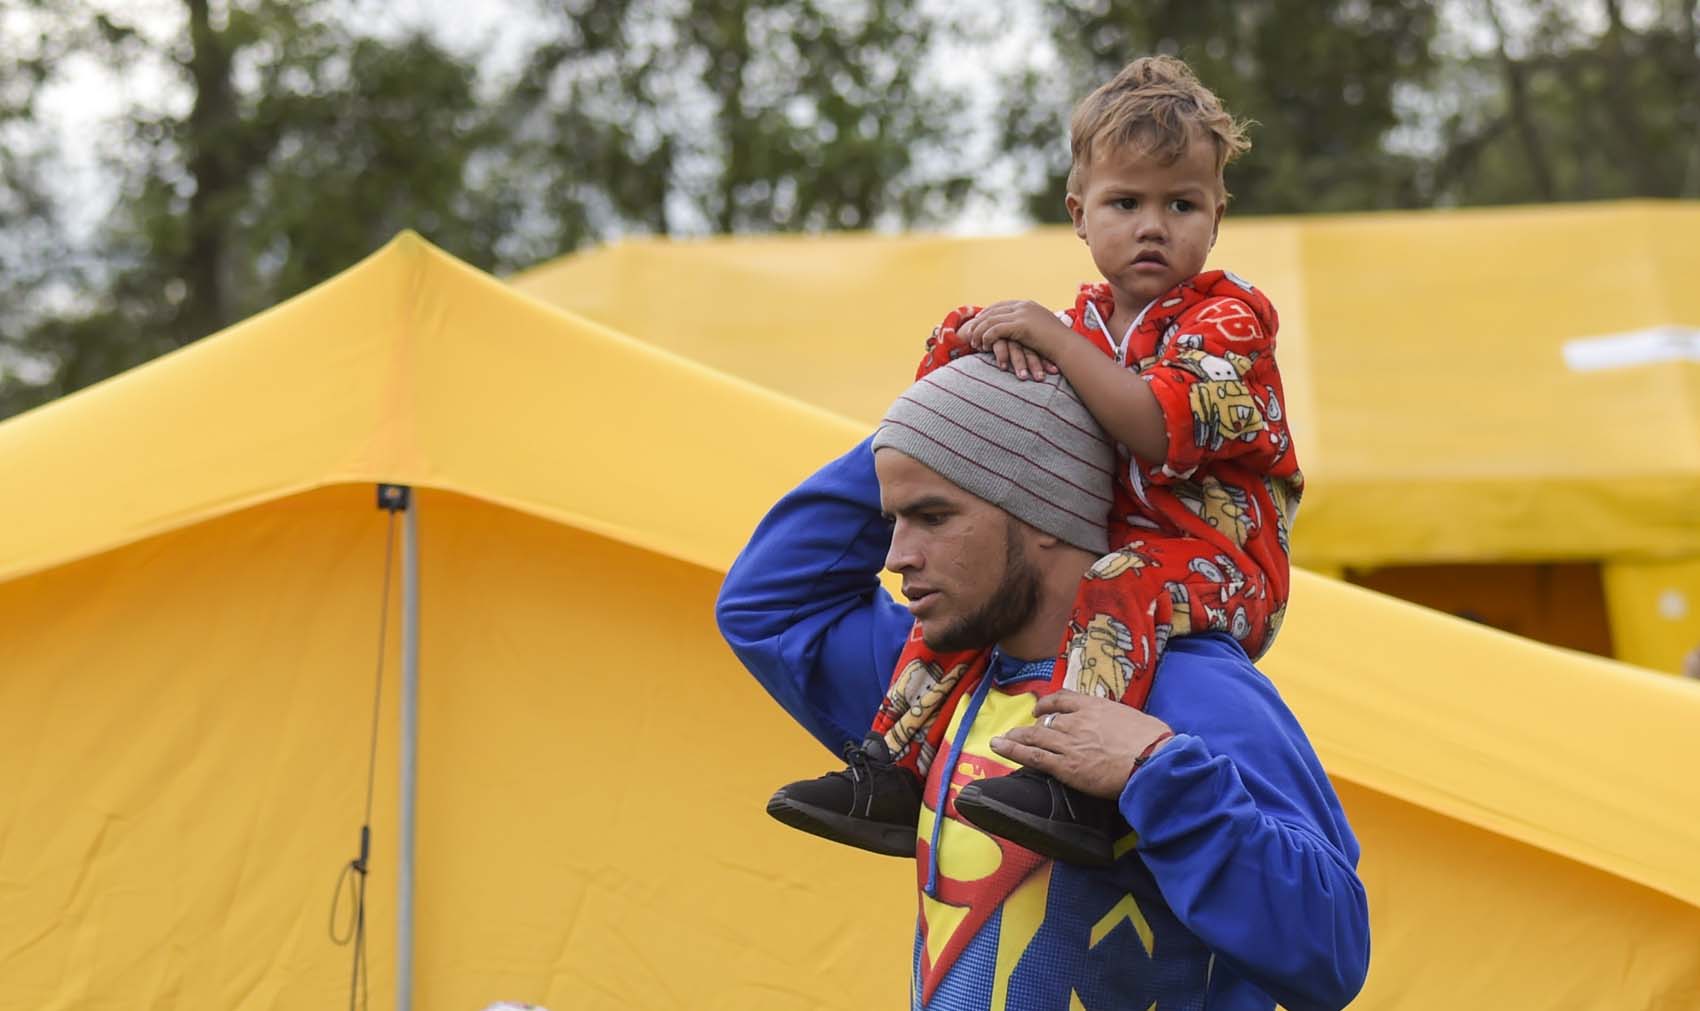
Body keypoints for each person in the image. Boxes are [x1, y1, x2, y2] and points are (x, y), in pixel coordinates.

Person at [766, 53, 1303, 867]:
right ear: (1078, 213)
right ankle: (891, 769)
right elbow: (961, 376)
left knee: (1118, 577)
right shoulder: (1082, 321)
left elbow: (1157, 427)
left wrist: (1046, 339)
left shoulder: (1230, 323)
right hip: (1113, 547)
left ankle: (1075, 785)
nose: (1153, 224)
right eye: (1126, 202)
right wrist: (976, 342)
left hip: (1218, 564)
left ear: (1218, 216)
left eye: (1182, 203)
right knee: (968, 587)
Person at [715, 354, 1368, 1009]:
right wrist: (942, 402)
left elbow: (1333, 951)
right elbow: (769, 604)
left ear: (1047, 511)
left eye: (933, 516)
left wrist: (1156, 773)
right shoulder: (930, 691)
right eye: (893, 520)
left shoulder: (1195, 684)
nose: (896, 556)